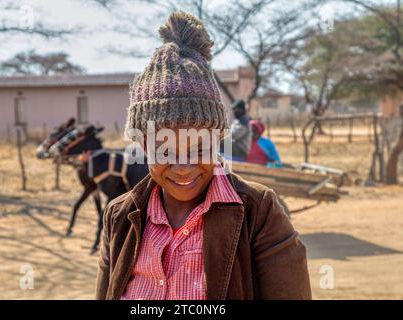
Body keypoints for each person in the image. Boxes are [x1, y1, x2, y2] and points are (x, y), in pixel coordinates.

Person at [95, 11, 311, 300]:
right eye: (164, 150)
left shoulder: (258, 213)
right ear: (142, 147)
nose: (183, 168)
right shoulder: (119, 217)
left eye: (200, 148)